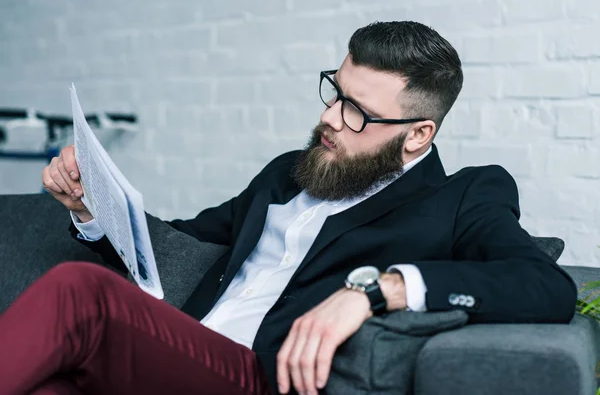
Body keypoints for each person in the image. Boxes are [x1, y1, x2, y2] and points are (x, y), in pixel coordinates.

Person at [0, 21, 577, 395]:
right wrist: (88, 208)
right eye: (335, 91)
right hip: (177, 351)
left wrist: (375, 291)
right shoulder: (287, 173)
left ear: (418, 134)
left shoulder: (460, 197)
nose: (330, 117)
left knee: (80, 292)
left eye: (357, 111)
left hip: (252, 375)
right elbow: (171, 242)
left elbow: (544, 286)